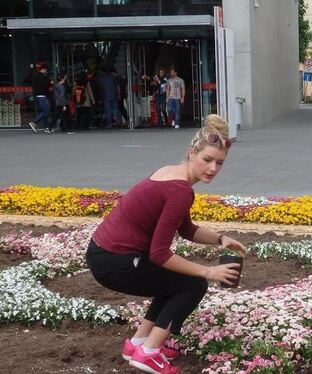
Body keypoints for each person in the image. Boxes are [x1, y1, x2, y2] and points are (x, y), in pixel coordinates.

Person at [87, 114, 245, 374]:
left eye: (220, 163)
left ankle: (138, 343)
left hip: (104, 254)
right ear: (191, 153)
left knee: (173, 279)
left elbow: (186, 229)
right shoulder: (180, 191)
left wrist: (220, 239)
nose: (213, 168)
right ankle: (149, 353)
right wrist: (209, 272)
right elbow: (159, 254)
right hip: (115, 262)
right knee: (193, 284)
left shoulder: (170, 174)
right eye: (207, 160)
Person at [28, 63, 54, 134]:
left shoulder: (35, 75)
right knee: (45, 111)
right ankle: (34, 122)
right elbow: (44, 85)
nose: (46, 72)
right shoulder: (41, 76)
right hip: (41, 95)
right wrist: (50, 83)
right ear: (43, 69)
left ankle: (46, 127)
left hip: (37, 95)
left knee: (45, 110)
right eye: (46, 70)